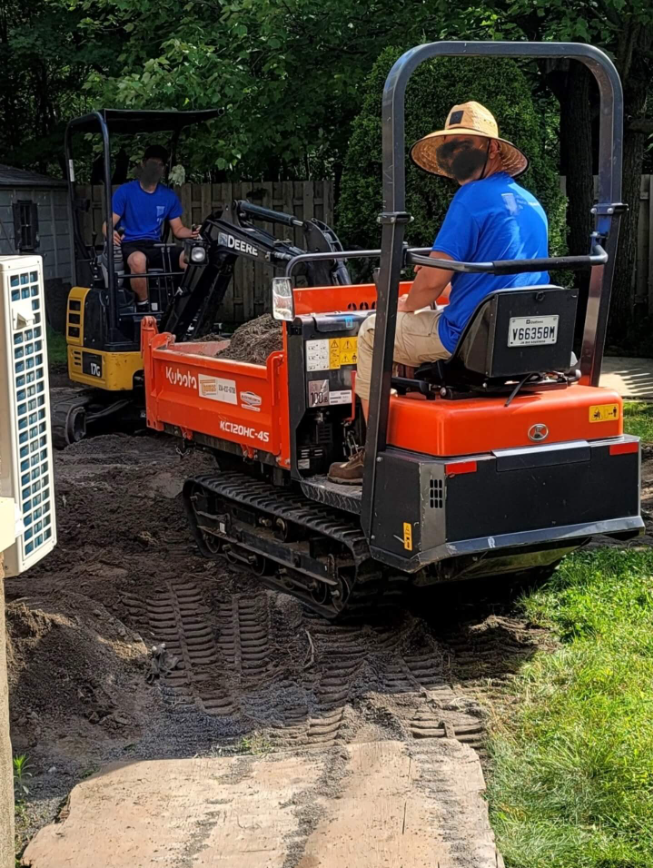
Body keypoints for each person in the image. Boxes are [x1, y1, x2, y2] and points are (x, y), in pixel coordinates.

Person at [329, 101, 550, 484]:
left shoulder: (470, 199)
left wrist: (404, 304)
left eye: (462, 145)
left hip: (470, 335)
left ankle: (370, 451)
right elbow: (490, 262)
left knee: (372, 332)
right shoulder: (531, 202)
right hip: (519, 331)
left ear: (492, 149)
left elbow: (431, 282)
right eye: (451, 147)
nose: (454, 155)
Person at [102, 144, 198, 309]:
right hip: (130, 245)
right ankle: (144, 308)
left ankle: (186, 307)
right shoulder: (125, 192)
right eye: (153, 164)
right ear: (144, 164)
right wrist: (110, 233)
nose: (156, 169)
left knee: (191, 258)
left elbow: (178, 230)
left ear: (164, 169)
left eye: (160, 165)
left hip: (155, 245)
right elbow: (107, 224)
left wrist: (193, 233)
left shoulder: (168, 196)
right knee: (138, 260)